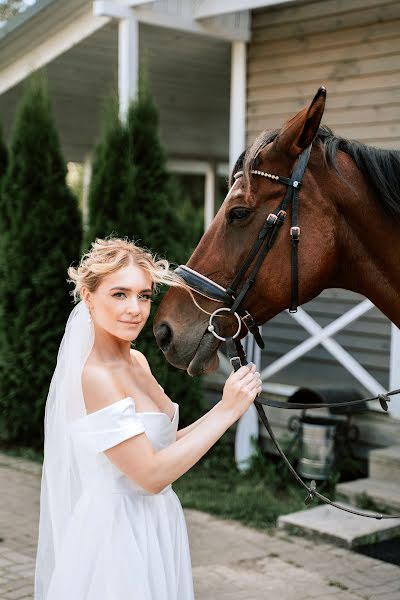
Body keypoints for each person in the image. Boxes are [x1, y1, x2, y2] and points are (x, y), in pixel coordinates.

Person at [34, 237, 262, 600]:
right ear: (89, 299)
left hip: (157, 522)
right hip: (118, 536)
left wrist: (232, 404)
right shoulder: (95, 376)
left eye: (143, 295)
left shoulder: (136, 361)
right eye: (119, 294)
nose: (134, 309)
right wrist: (226, 411)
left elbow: (165, 443)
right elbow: (151, 474)